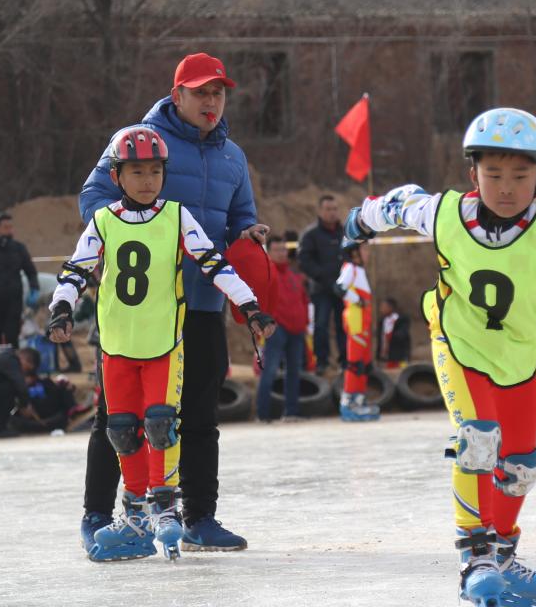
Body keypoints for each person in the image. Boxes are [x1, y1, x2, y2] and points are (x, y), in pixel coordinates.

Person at [343, 107, 536, 607]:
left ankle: (503, 551)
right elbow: (397, 204)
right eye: (493, 174)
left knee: (522, 467)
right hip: (458, 343)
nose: (506, 187)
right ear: (472, 173)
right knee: (477, 438)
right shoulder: (445, 211)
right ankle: (474, 554)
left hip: (518, 359)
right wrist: (359, 222)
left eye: (520, 176)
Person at [50, 125, 272, 561]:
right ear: (117, 177)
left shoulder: (176, 216)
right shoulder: (104, 220)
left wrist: (249, 305)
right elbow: (76, 268)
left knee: (160, 423)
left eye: (154, 171)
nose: (147, 180)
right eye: (137, 172)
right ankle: (134, 517)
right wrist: (60, 307)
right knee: (121, 430)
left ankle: (165, 510)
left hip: (164, 345)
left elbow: (214, 262)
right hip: (116, 344)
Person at [256, 232, 310, 423]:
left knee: (294, 371)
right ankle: (262, 414)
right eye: (277, 250)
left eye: (283, 250)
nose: (281, 253)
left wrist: (304, 323)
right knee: (269, 371)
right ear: (268, 252)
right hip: (276, 328)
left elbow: (303, 301)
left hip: (297, 329)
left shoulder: (295, 276)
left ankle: (291, 412)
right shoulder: (266, 274)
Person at [0, 213, 40, 349]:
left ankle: (12, 368)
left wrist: (34, 288)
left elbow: (31, 271)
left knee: (12, 338)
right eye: (5, 227)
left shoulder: (19, 249)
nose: (9, 231)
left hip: (14, 303)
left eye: (11, 227)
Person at [298, 194, 347, 374]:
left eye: (334, 209)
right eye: (328, 209)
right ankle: (322, 362)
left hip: (343, 289)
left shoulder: (345, 232)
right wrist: (321, 276)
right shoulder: (311, 235)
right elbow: (304, 260)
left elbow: (354, 255)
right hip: (320, 289)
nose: (332, 213)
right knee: (321, 325)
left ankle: (346, 361)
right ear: (320, 211)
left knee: (345, 326)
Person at [336, 240, 379, 421]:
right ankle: (348, 402)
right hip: (356, 320)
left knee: (364, 362)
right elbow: (338, 287)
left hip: (364, 321)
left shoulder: (359, 270)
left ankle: (359, 399)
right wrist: (357, 299)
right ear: (354, 253)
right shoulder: (350, 268)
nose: (367, 253)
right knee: (355, 362)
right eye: (364, 249)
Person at [376, 297, 412, 368]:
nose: (381, 309)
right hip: (386, 357)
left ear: (390, 307)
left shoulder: (402, 319)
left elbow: (402, 335)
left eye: (384, 307)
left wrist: (390, 336)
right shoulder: (382, 321)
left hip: (399, 356)